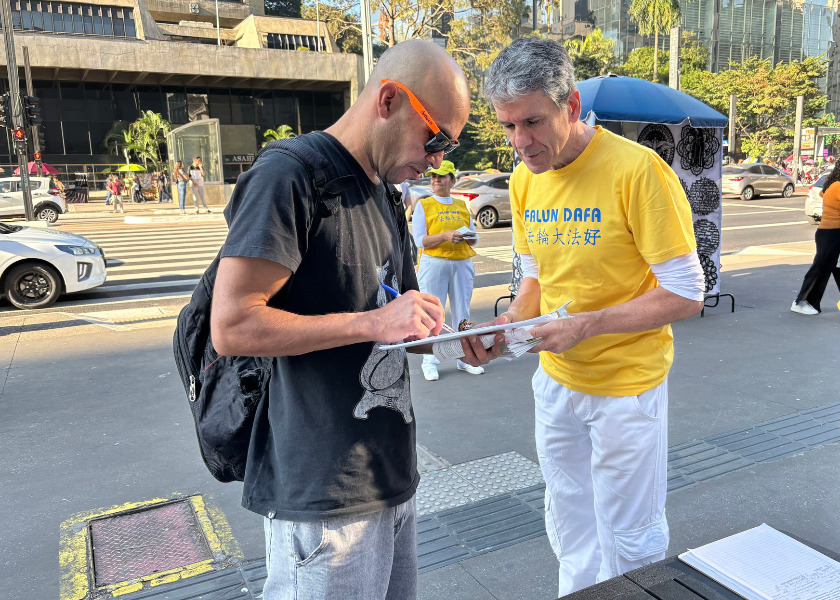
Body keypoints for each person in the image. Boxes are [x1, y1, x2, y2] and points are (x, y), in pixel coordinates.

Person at [209, 39, 470, 600]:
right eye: (437, 138)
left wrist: (460, 342)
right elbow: (232, 327)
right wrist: (370, 324)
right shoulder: (291, 176)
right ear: (389, 99)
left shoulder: (386, 194)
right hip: (323, 492)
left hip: (391, 476)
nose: (439, 160)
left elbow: (406, 321)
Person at [467, 38, 704, 596]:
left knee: (629, 540)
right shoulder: (526, 179)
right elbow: (534, 275)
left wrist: (584, 325)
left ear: (571, 105)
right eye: (507, 126)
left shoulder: (637, 171)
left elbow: (687, 293)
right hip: (555, 383)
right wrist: (506, 335)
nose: (521, 142)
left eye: (533, 122)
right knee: (569, 527)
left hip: (627, 388)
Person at [412, 159, 483, 381]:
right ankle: (430, 360)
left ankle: (464, 357)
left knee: (463, 311)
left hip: (461, 263)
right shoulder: (424, 205)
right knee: (433, 313)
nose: (436, 180)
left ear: (452, 180)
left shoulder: (462, 205)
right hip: (434, 263)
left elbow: (474, 237)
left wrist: (468, 237)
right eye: (433, 176)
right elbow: (419, 241)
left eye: (441, 176)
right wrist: (445, 236)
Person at [791, 160, 840, 315]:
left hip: (830, 233)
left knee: (828, 268)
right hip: (831, 233)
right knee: (819, 268)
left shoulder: (833, 184)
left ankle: (810, 302)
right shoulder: (837, 186)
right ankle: (800, 301)